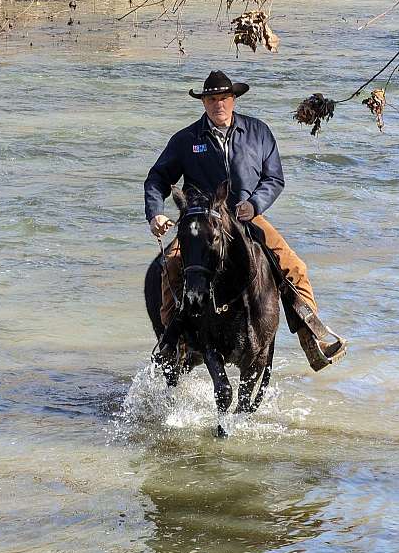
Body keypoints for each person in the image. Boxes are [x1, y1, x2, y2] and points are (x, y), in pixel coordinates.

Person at [144, 70, 347, 371]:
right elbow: (157, 178)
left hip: (247, 219)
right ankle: (173, 342)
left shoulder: (258, 132)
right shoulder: (186, 140)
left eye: (224, 98)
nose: (218, 105)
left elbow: (274, 178)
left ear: (234, 99)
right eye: (212, 99)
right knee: (171, 265)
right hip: (202, 223)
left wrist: (255, 204)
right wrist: (156, 212)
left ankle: (312, 337)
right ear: (203, 103)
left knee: (294, 267)